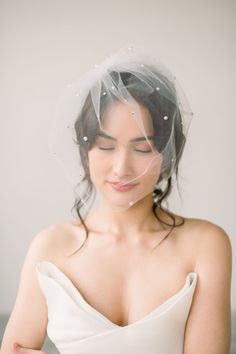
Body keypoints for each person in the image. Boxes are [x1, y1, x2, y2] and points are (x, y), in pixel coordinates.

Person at [1, 45, 232, 354]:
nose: (122, 169)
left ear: (166, 154)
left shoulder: (206, 244)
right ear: (86, 150)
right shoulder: (51, 247)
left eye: (142, 148)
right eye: (106, 146)